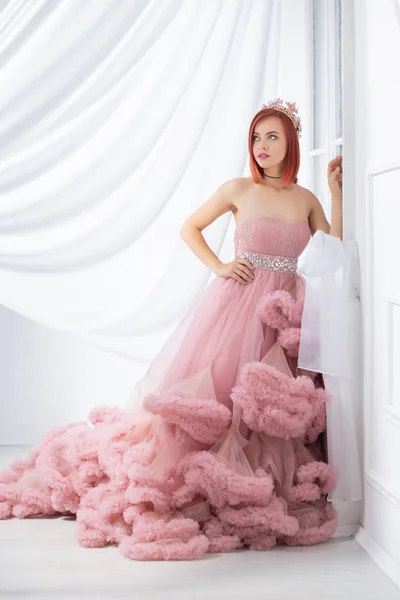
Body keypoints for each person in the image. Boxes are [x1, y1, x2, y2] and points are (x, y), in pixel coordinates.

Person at [0, 99, 344, 561]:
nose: (262, 146)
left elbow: (332, 248)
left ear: (291, 144)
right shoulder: (238, 189)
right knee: (224, 398)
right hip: (239, 306)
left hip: (284, 311)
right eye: (257, 137)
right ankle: (211, 475)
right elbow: (190, 227)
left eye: (273, 137)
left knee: (274, 407)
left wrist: (335, 193)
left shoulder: (306, 200)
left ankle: (261, 477)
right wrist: (221, 265)